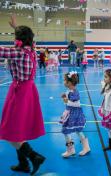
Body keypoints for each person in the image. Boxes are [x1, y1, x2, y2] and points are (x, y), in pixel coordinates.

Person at [0, 15, 45, 175]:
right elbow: (27, 38)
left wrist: (16, 31)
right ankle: (23, 164)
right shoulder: (31, 49)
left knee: (10, 130)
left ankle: (33, 157)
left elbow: (1, 51)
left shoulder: (19, 53)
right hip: (28, 90)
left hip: (19, 92)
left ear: (18, 39)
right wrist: (16, 27)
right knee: (17, 128)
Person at [60, 71, 90, 158]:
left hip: (74, 114)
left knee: (76, 130)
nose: (64, 82)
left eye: (65, 80)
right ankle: (71, 150)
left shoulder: (74, 92)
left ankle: (85, 148)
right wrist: (65, 96)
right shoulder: (70, 90)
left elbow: (75, 103)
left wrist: (66, 99)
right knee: (69, 131)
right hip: (70, 112)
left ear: (69, 82)